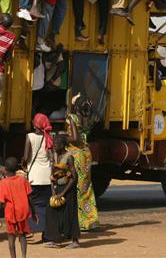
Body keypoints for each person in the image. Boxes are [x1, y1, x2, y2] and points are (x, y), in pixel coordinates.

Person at [66, 93, 99, 231]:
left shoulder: (72, 118)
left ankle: (80, 222)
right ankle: (90, 219)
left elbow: (75, 138)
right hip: (87, 154)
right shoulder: (88, 119)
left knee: (76, 188)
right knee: (86, 187)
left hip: (77, 154)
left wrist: (62, 138)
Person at [22, 113, 54, 240]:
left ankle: (32, 230)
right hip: (46, 177)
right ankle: (46, 232)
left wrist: (24, 165)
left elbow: (26, 157)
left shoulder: (29, 137)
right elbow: (51, 157)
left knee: (32, 204)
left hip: (34, 176)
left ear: (34, 124)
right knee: (46, 205)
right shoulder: (48, 137)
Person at [45, 134, 80, 248]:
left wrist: (63, 193)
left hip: (68, 188)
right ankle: (54, 239)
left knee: (70, 213)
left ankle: (75, 241)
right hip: (57, 188)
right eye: (53, 144)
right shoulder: (55, 156)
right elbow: (52, 175)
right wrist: (53, 191)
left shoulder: (69, 157)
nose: (54, 146)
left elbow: (74, 177)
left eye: (56, 145)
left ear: (63, 145)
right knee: (52, 212)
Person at [0, 157, 36, 258]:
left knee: (11, 237)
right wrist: (34, 212)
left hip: (10, 213)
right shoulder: (23, 180)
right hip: (22, 212)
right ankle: (24, 256)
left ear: (5, 169)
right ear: (16, 170)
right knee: (22, 235)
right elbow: (29, 197)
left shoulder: (3, 183)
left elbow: (1, 201)